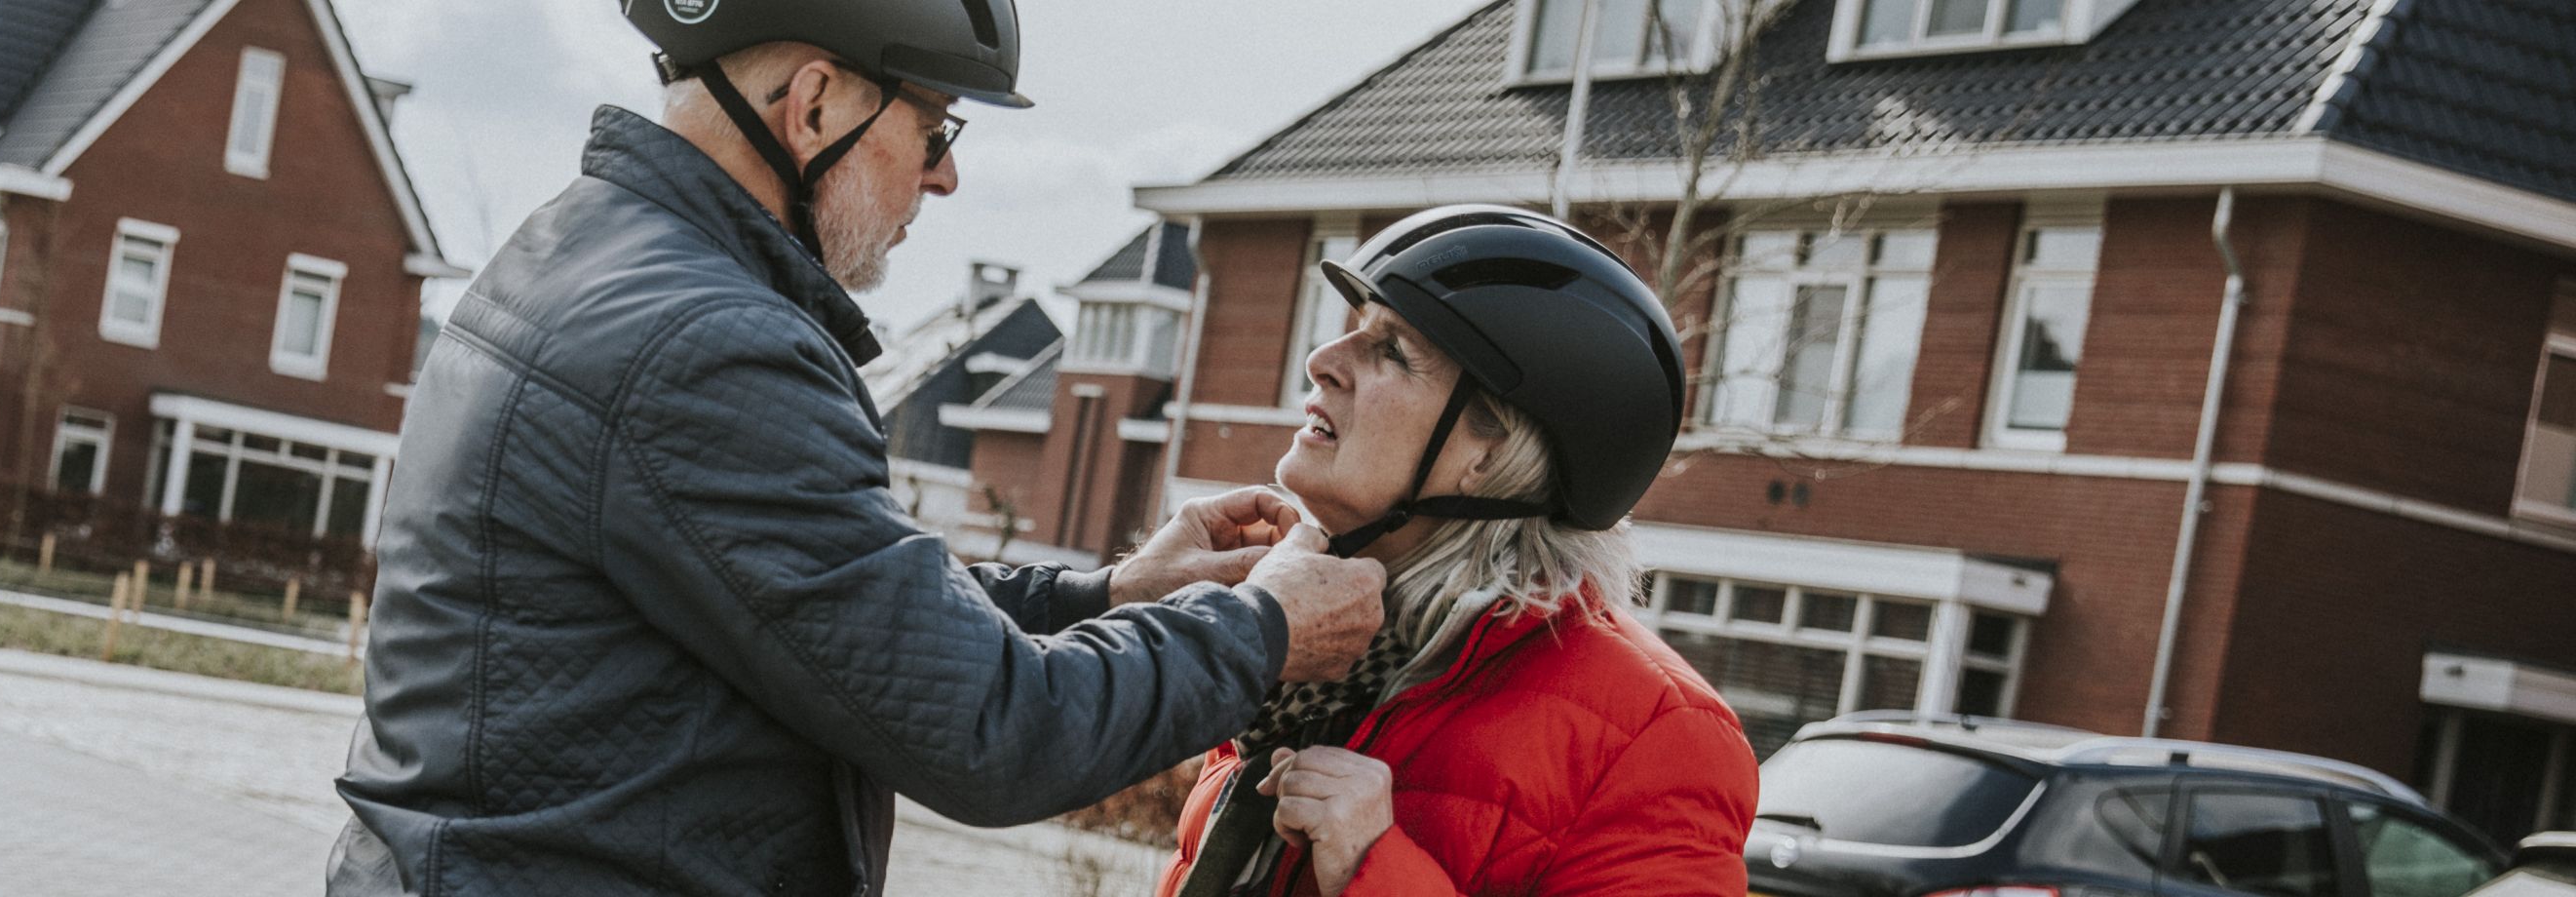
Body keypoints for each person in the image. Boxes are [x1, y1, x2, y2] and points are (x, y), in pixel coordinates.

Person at [325, 0, 1397, 893]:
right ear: (819, 103)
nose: (943, 178)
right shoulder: (708, 347)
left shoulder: (586, 254)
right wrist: (1261, 627)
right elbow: (993, 729)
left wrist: (1107, 593)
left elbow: (817, 609)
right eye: (935, 128)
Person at [1154, 207, 1760, 897]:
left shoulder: (1657, 736)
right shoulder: (1308, 653)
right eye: (1356, 331)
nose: (1322, 363)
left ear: (1490, 453)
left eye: (1392, 351)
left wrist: (1375, 869)